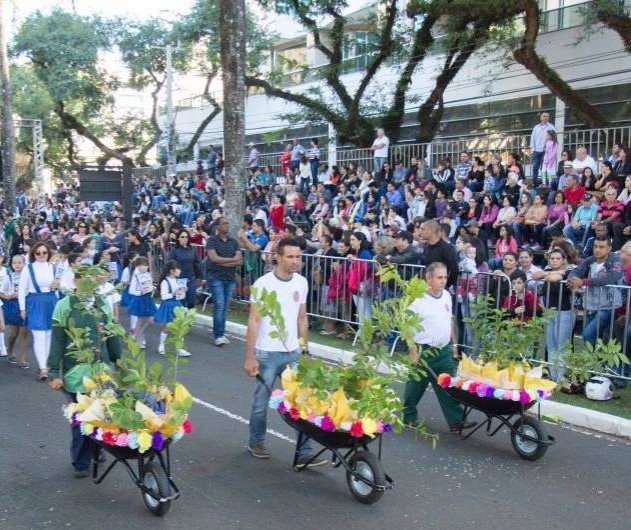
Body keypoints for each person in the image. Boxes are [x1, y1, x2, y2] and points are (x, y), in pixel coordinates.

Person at [244, 237, 327, 467]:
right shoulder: (262, 284)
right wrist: (250, 356)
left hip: (293, 353)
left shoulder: (301, 282)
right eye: (290, 256)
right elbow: (254, 320)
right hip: (267, 353)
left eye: (298, 256)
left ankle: (304, 452)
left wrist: (305, 349)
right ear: (277, 257)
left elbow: (302, 318)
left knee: (302, 402)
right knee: (261, 402)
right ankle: (256, 441)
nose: (295, 261)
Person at [48, 279, 122, 478]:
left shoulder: (102, 304)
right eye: (83, 280)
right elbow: (57, 341)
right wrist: (54, 372)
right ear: (75, 282)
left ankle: (98, 449)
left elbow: (112, 336)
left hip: (102, 371)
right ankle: (81, 461)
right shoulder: (64, 306)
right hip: (76, 374)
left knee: (102, 414)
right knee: (82, 418)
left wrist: (120, 363)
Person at [402, 262, 476, 433]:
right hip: (423, 350)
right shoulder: (417, 299)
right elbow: (405, 326)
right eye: (439, 277)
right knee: (415, 386)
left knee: (448, 386)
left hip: (443, 351)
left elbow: (449, 321)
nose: (443, 281)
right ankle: (409, 416)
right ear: (428, 278)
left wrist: (454, 345)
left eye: (445, 277)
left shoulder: (446, 296)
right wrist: (412, 350)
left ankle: (456, 421)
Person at [567, 237, 623, 346]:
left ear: (609, 248)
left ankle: (596, 361)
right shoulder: (590, 260)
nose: (597, 249)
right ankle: (596, 362)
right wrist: (572, 280)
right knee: (594, 339)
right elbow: (575, 271)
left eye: (601, 247)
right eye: (595, 246)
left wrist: (583, 282)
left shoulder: (616, 261)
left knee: (588, 335)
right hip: (590, 306)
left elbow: (610, 278)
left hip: (608, 307)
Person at [531, 248, 575, 382]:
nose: (555, 260)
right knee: (550, 345)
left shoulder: (569, 272)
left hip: (564, 312)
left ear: (563, 260)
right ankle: (552, 375)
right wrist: (551, 271)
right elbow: (534, 276)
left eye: (558, 258)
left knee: (561, 346)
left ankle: (560, 377)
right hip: (549, 312)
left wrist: (552, 273)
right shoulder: (548, 269)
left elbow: (551, 278)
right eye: (552, 258)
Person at [19, 242, 59, 381]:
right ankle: (42, 367)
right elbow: (21, 290)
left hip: (51, 300)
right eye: (38, 253)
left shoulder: (53, 267)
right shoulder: (28, 268)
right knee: (39, 335)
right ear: (33, 254)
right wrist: (22, 308)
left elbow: (61, 288)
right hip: (34, 301)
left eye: (44, 252)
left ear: (48, 254)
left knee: (48, 334)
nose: (42, 255)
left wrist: (57, 286)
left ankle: (44, 365)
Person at [206, 217, 243, 346]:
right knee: (219, 305)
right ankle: (218, 335)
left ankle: (221, 332)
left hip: (230, 278)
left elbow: (240, 260)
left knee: (225, 307)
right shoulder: (211, 241)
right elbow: (214, 258)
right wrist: (231, 261)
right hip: (216, 277)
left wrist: (225, 262)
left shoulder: (234, 242)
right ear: (217, 227)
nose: (227, 225)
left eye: (228, 223)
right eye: (224, 223)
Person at [154, 260, 190, 357]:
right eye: (178, 269)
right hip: (169, 305)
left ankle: (180, 348)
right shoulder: (165, 282)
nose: (180, 271)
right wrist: (173, 293)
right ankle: (162, 344)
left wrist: (183, 291)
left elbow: (181, 296)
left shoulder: (178, 281)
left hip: (177, 305)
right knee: (168, 327)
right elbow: (164, 296)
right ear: (171, 271)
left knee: (180, 327)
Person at [1, 254, 29, 368]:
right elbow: (1, 292)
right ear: (11, 264)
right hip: (13, 305)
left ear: (24, 264)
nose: (17, 265)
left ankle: (22, 359)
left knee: (24, 333)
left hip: (25, 305)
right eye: (14, 263)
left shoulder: (28, 276)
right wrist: (9, 296)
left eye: (19, 262)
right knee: (14, 333)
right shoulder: (9, 276)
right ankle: (10, 351)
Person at [167, 228, 201, 309]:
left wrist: (201, 277)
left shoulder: (192, 249)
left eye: (186, 237)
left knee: (191, 302)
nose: (185, 239)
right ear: (178, 238)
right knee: (181, 302)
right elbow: (169, 264)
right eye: (182, 237)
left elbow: (197, 263)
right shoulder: (174, 250)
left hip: (191, 279)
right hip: (179, 280)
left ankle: (188, 320)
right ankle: (181, 320)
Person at [126, 256, 156, 348]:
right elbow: (131, 291)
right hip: (139, 299)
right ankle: (138, 337)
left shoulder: (147, 275)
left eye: (146, 265)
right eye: (143, 265)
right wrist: (140, 292)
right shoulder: (136, 276)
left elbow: (149, 286)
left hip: (148, 299)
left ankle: (140, 334)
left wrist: (153, 288)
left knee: (151, 320)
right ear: (138, 266)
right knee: (139, 320)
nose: (145, 267)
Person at [420, 219, 459, 289]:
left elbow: (454, 270)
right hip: (427, 287)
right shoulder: (426, 247)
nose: (420, 232)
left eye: (423, 229)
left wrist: (445, 285)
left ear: (431, 230)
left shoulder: (447, 248)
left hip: (441, 289)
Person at [529, 111, 555, 185]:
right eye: (544, 116)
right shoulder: (536, 127)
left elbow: (554, 139)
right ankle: (534, 183)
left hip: (545, 151)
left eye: (547, 116)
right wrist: (532, 149)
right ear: (540, 117)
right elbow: (532, 138)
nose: (546, 117)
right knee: (535, 167)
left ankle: (546, 183)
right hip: (536, 151)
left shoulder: (551, 127)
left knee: (544, 168)